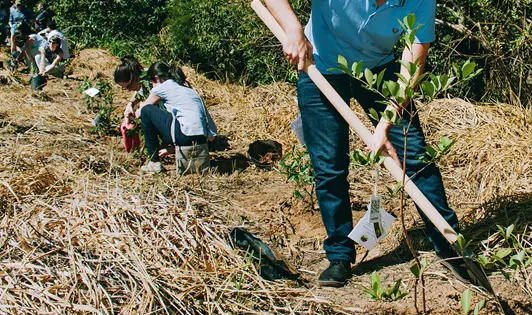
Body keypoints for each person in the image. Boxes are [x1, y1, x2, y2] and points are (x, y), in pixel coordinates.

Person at [265, 0, 470, 287]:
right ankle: (339, 255)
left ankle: (449, 244)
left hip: (379, 70)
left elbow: (413, 65)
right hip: (320, 66)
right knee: (329, 166)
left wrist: (385, 124)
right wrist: (293, 29)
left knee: (415, 156)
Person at [135, 61, 217, 173]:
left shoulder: (162, 87)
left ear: (157, 78)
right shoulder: (191, 91)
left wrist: (137, 108)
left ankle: (154, 162)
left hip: (184, 135)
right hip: (201, 139)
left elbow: (140, 113)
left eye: (151, 83)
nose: (152, 87)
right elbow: (211, 134)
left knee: (147, 110)